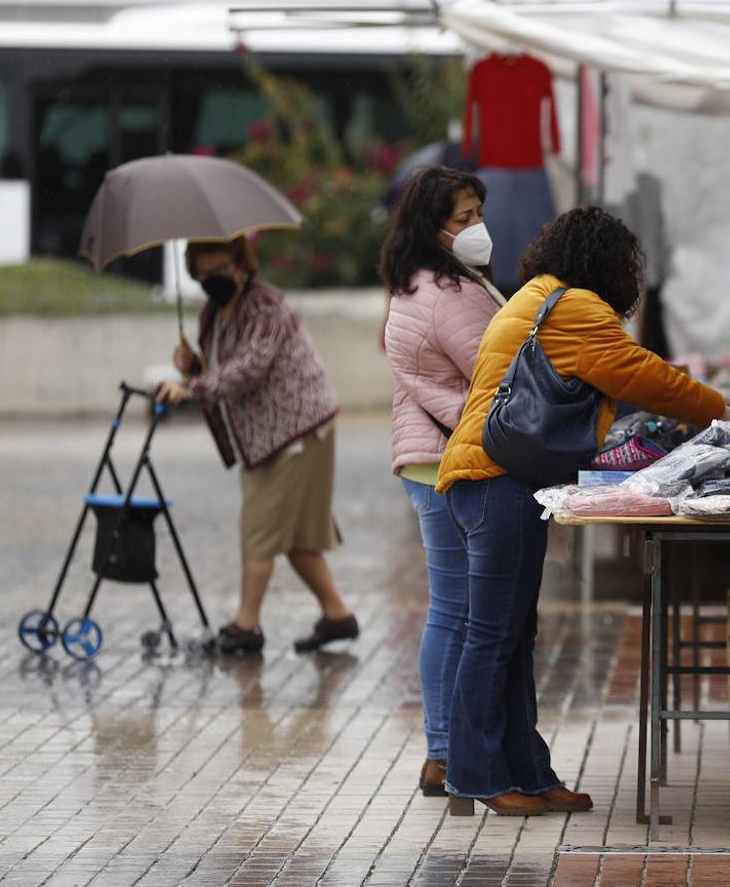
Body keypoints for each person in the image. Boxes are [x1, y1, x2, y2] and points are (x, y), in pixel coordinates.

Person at [435, 207, 730, 816]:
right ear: (607, 265)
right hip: (493, 479)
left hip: (489, 477)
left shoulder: (540, 295)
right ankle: (474, 776)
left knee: (512, 635)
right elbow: (641, 374)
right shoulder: (575, 307)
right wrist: (718, 406)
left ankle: (527, 773)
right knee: (493, 636)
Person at [157, 236, 358, 655]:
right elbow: (223, 369)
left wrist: (191, 387)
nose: (213, 280)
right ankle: (337, 616)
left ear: (242, 266)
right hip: (267, 434)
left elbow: (251, 367)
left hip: (295, 430)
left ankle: (246, 625)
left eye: (222, 270)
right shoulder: (212, 314)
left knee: (261, 526)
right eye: (204, 273)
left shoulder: (265, 305)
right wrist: (193, 365)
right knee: (297, 536)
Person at [380, 167, 505, 798]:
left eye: (479, 212)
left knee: (453, 612)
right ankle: (443, 750)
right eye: (464, 218)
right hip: (444, 462)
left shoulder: (419, 281)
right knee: (457, 612)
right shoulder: (445, 292)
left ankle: (447, 748)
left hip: (429, 457)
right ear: (433, 227)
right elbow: (497, 371)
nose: (478, 227)